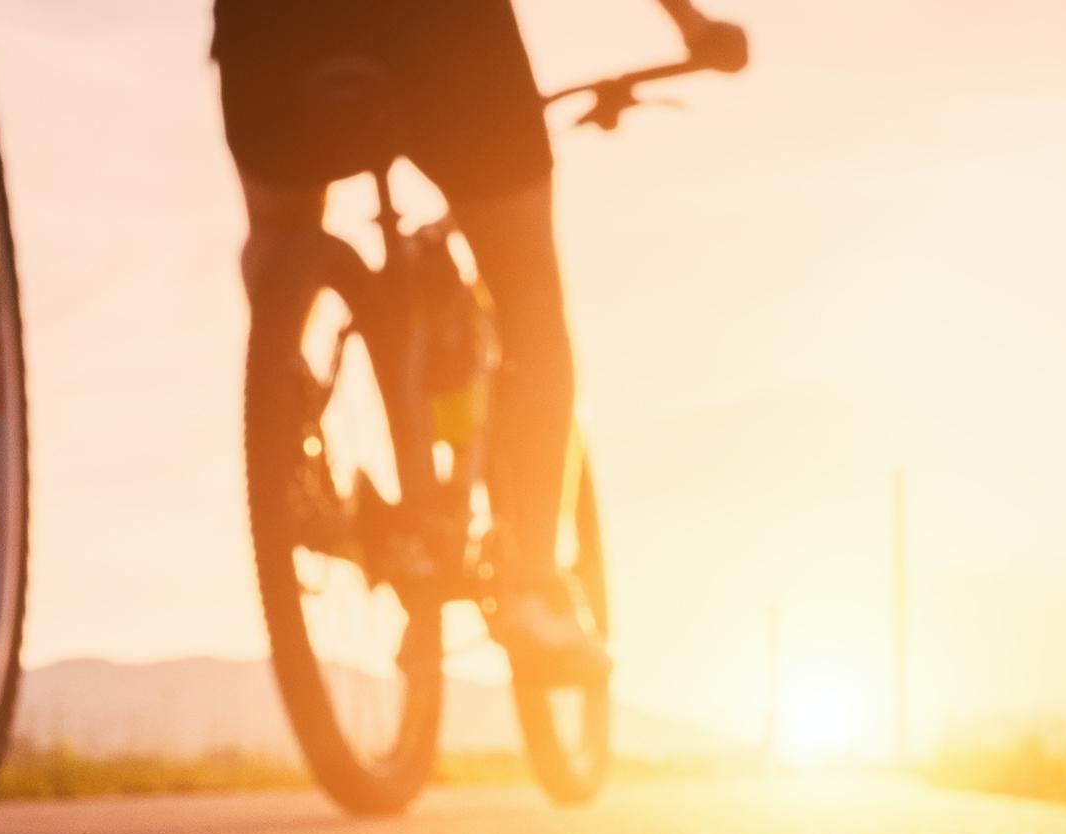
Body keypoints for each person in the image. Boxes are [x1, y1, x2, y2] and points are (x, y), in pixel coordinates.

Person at [215, 0, 746, 687]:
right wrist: (691, 26)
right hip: (444, 32)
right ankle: (529, 583)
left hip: (272, 31)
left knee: (279, 238)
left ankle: (287, 437)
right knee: (527, 287)